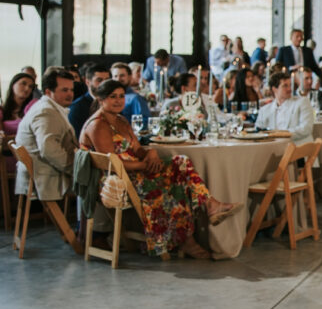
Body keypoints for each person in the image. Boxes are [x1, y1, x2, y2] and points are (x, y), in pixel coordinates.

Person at [79, 79, 240, 259]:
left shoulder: (121, 120)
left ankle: (209, 205)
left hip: (136, 171)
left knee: (181, 162)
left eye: (121, 96)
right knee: (173, 185)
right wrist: (144, 165)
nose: (118, 100)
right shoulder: (98, 125)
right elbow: (112, 162)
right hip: (116, 180)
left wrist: (152, 153)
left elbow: (137, 150)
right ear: (101, 100)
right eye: (112, 97)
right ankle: (187, 239)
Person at [14, 68, 77, 212]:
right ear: (48, 92)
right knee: (99, 182)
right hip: (45, 176)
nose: (70, 94)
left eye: (71, 90)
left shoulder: (47, 107)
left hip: (41, 172)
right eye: (64, 90)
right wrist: (74, 169)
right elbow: (49, 150)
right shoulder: (46, 111)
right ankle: (94, 230)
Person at [254, 72, 316, 146]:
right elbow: (258, 130)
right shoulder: (265, 110)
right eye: (285, 86)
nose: (290, 89)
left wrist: (280, 134)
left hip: (298, 149)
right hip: (272, 149)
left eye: (290, 85)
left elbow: (306, 129)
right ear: (274, 89)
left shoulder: (302, 102)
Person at [1, 73, 39, 164]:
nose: (27, 89)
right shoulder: (2, 110)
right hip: (5, 157)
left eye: (30, 87)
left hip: (28, 157)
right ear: (13, 85)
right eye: (23, 84)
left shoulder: (32, 107)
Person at [69, 63, 110, 136]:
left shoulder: (113, 103)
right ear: (87, 82)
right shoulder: (77, 107)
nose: (104, 84)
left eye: (107, 80)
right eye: (99, 80)